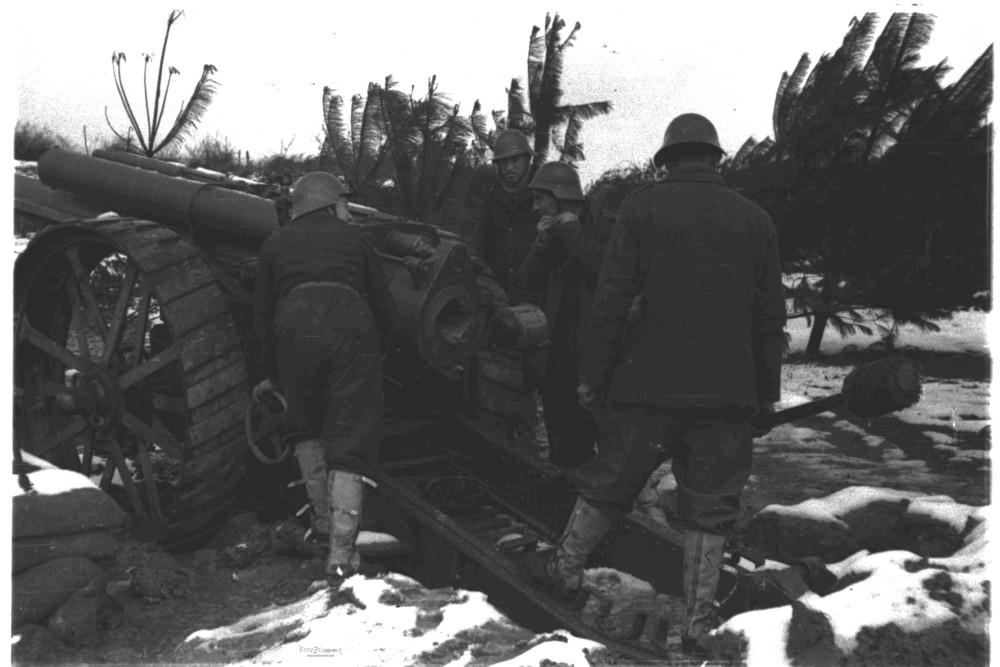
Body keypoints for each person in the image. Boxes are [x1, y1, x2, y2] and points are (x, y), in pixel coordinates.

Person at [531, 113, 786, 657]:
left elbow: (611, 302)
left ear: (666, 160)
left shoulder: (641, 209)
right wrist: (766, 393)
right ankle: (698, 622)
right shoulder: (756, 219)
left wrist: (592, 378)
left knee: (609, 481)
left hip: (646, 386)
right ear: (716, 159)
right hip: (727, 393)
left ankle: (565, 569)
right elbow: (770, 318)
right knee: (711, 506)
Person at [252, 172, 395, 588]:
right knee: (349, 446)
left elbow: (261, 317)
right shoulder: (355, 240)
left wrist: (272, 374)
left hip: (292, 333)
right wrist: (374, 355)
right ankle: (340, 558)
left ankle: (323, 529)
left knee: (307, 431)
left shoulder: (275, 242)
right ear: (331, 203)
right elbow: (384, 306)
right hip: (350, 326)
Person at [517, 161, 615, 467]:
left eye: (540, 199)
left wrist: (572, 232)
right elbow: (524, 285)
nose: (534, 207)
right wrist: (541, 246)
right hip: (557, 355)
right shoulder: (549, 231)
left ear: (560, 196)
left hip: (597, 357)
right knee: (565, 451)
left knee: (612, 452)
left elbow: (609, 274)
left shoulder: (610, 226)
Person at [475, 128, 541, 305]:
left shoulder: (544, 193)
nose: (510, 167)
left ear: (528, 159)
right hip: (500, 294)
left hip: (538, 295)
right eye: (504, 162)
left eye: (515, 160)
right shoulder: (492, 197)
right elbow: (482, 249)